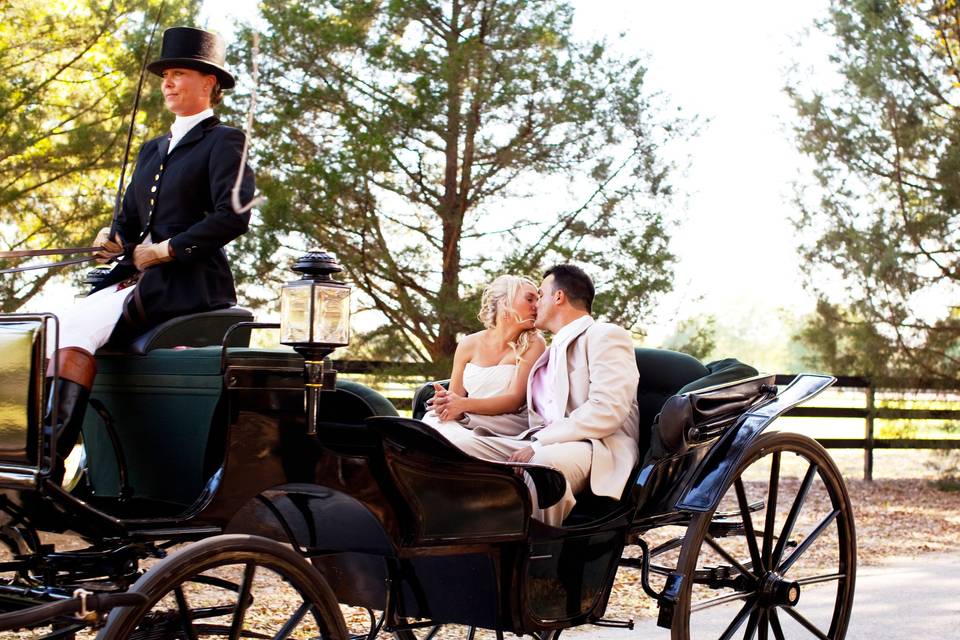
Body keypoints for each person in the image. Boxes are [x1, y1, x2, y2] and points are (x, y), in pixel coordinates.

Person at [45, 26, 255, 475]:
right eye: (165, 75)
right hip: (134, 279)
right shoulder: (151, 149)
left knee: (73, 326)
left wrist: (165, 251)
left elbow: (233, 216)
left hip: (188, 282)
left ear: (209, 84)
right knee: (52, 322)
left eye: (179, 73)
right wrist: (114, 240)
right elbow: (129, 222)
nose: (168, 82)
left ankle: (50, 461)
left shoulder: (225, 141)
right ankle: (29, 451)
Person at [452, 264, 640, 526]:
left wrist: (539, 443)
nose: (535, 303)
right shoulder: (547, 352)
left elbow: (606, 410)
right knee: (454, 446)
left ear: (558, 297)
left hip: (595, 446)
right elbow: (529, 415)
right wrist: (462, 418)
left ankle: (536, 561)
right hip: (538, 441)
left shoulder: (604, 335)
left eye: (539, 295)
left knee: (542, 465)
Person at [423, 275, 546, 445]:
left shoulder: (534, 343)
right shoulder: (468, 343)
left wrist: (463, 405)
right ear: (504, 302)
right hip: (467, 418)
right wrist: (446, 403)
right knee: (429, 424)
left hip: (507, 424)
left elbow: (514, 400)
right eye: (529, 299)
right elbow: (455, 398)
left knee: (452, 442)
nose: (537, 305)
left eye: (538, 300)